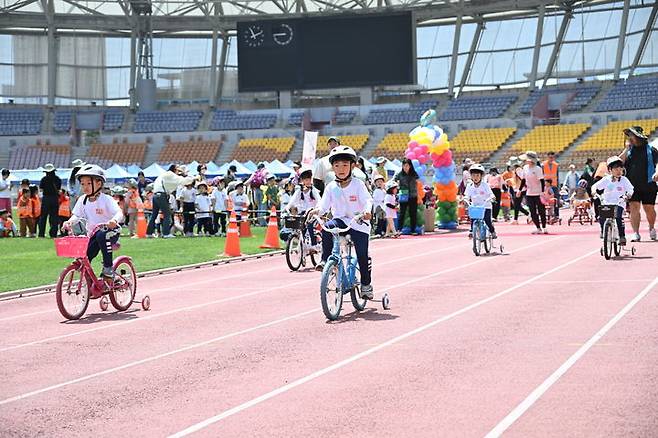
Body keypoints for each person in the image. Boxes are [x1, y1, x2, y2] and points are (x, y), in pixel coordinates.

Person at [309, 146, 374, 299]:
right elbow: (324, 207)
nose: (341, 169)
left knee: (362, 255)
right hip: (340, 222)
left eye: (345, 164)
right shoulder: (331, 187)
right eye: (337, 165)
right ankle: (325, 260)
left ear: (352, 166)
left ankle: (366, 284)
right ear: (332, 168)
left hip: (358, 223)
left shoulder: (358, 184)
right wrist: (316, 211)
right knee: (327, 227)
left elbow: (367, 200)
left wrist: (367, 211)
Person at [62, 165, 123, 278]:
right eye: (82, 184)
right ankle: (91, 285)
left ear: (99, 184)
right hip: (93, 234)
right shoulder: (83, 200)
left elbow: (119, 213)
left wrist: (114, 220)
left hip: (111, 231)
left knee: (101, 235)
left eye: (89, 183)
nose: (85, 187)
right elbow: (76, 215)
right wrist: (69, 222)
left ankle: (108, 268)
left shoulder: (106, 199)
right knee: (86, 256)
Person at [619, 126, 658, 242]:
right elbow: (619, 161)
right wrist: (626, 149)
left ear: (638, 136)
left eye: (632, 135)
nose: (630, 138)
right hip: (631, 185)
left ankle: (651, 228)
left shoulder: (651, 150)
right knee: (634, 207)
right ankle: (636, 233)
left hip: (649, 184)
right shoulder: (629, 150)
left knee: (648, 208)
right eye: (629, 135)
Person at [592, 156, 634, 245]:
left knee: (618, 216)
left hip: (619, 203)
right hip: (607, 203)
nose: (619, 171)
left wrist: (628, 195)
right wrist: (593, 191)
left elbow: (631, 189)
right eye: (616, 169)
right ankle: (604, 231)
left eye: (620, 169)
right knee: (602, 217)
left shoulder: (624, 180)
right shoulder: (606, 179)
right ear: (610, 170)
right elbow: (595, 186)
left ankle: (622, 236)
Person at [147, 164, 194, 238]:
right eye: (178, 171)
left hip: (156, 195)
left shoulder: (164, 174)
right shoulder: (170, 174)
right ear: (175, 170)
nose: (179, 173)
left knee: (154, 215)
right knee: (167, 214)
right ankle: (166, 233)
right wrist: (191, 177)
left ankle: (149, 233)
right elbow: (184, 181)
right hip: (161, 195)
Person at [284, 165, 321, 251]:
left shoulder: (313, 190)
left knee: (310, 225)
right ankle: (303, 244)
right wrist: (287, 207)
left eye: (308, 179)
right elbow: (292, 200)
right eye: (305, 179)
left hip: (312, 213)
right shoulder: (299, 191)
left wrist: (316, 209)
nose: (307, 181)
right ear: (301, 181)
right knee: (300, 227)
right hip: (303, 213)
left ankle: (313, 244)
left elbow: (319, 200)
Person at [518, 151, 548, 234]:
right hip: (529, 193)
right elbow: (523, 180)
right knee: (533, 211)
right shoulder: (525, 168)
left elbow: (542, 181)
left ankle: (544, 227)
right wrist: (520, 190)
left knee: (541, 211)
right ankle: (538, 228)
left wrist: (542, 192)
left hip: (538, 193)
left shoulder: (538, 169)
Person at [464, 164, 496, 239]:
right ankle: (472, 231)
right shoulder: (469, 186)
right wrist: (465, 199)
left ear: (481, 176)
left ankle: (492, 231)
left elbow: (491, 194)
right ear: (471, 176)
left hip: (485, 206)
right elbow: (467, 195)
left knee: (487, 221)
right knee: (473, 218)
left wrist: (492, 197)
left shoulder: (485, 185)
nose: (475, 178)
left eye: (477, 175)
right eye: (473, 175)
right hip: (475, 206)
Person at [394, 158, 420, 235]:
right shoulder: (399, 174)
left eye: (407, 165)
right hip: (404, 195)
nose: (405, 167)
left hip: (413, 195)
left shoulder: (414, 173)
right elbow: (394, 180)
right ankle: (399, 229)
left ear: (410, 166)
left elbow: (418, 181)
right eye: (404, 166)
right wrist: (398, 188)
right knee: (402, 213)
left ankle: (413, 230)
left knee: (413, 213)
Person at [38, 163, 62, 238]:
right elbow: (58, 189)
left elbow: (41, 189)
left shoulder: (44, 179)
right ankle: (53, 233)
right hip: (54, 198)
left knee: (43, 217)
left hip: (46, 198)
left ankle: (41, 233)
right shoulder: (57, 179)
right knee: (54, 217)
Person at [542, 151, 560, 218]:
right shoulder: (543, 165)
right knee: (545, 200)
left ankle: (556, 214)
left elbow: (557, 176)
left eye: (552, 157)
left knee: (555, 200)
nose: (551, 158)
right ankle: (545, 214)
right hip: (546, 186)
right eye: (550, 157)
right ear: (547, 157)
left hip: (554, 185)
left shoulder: (556, 165)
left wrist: (558, 187)